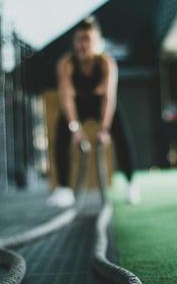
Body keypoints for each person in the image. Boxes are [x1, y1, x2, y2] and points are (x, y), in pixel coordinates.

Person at [47, 16, 140, 207]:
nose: (83, 45)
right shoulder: (66, 64)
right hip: (78, 105)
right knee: (61, 131)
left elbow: (109, 98)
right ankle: (64, 189)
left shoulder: (106, 64)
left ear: (97, 42)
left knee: (121, 133)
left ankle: (131, 184)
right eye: (79, 40)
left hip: (100, 105)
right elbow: (66, 99)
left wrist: (105, 130)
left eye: (87, 39)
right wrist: (75, 130)